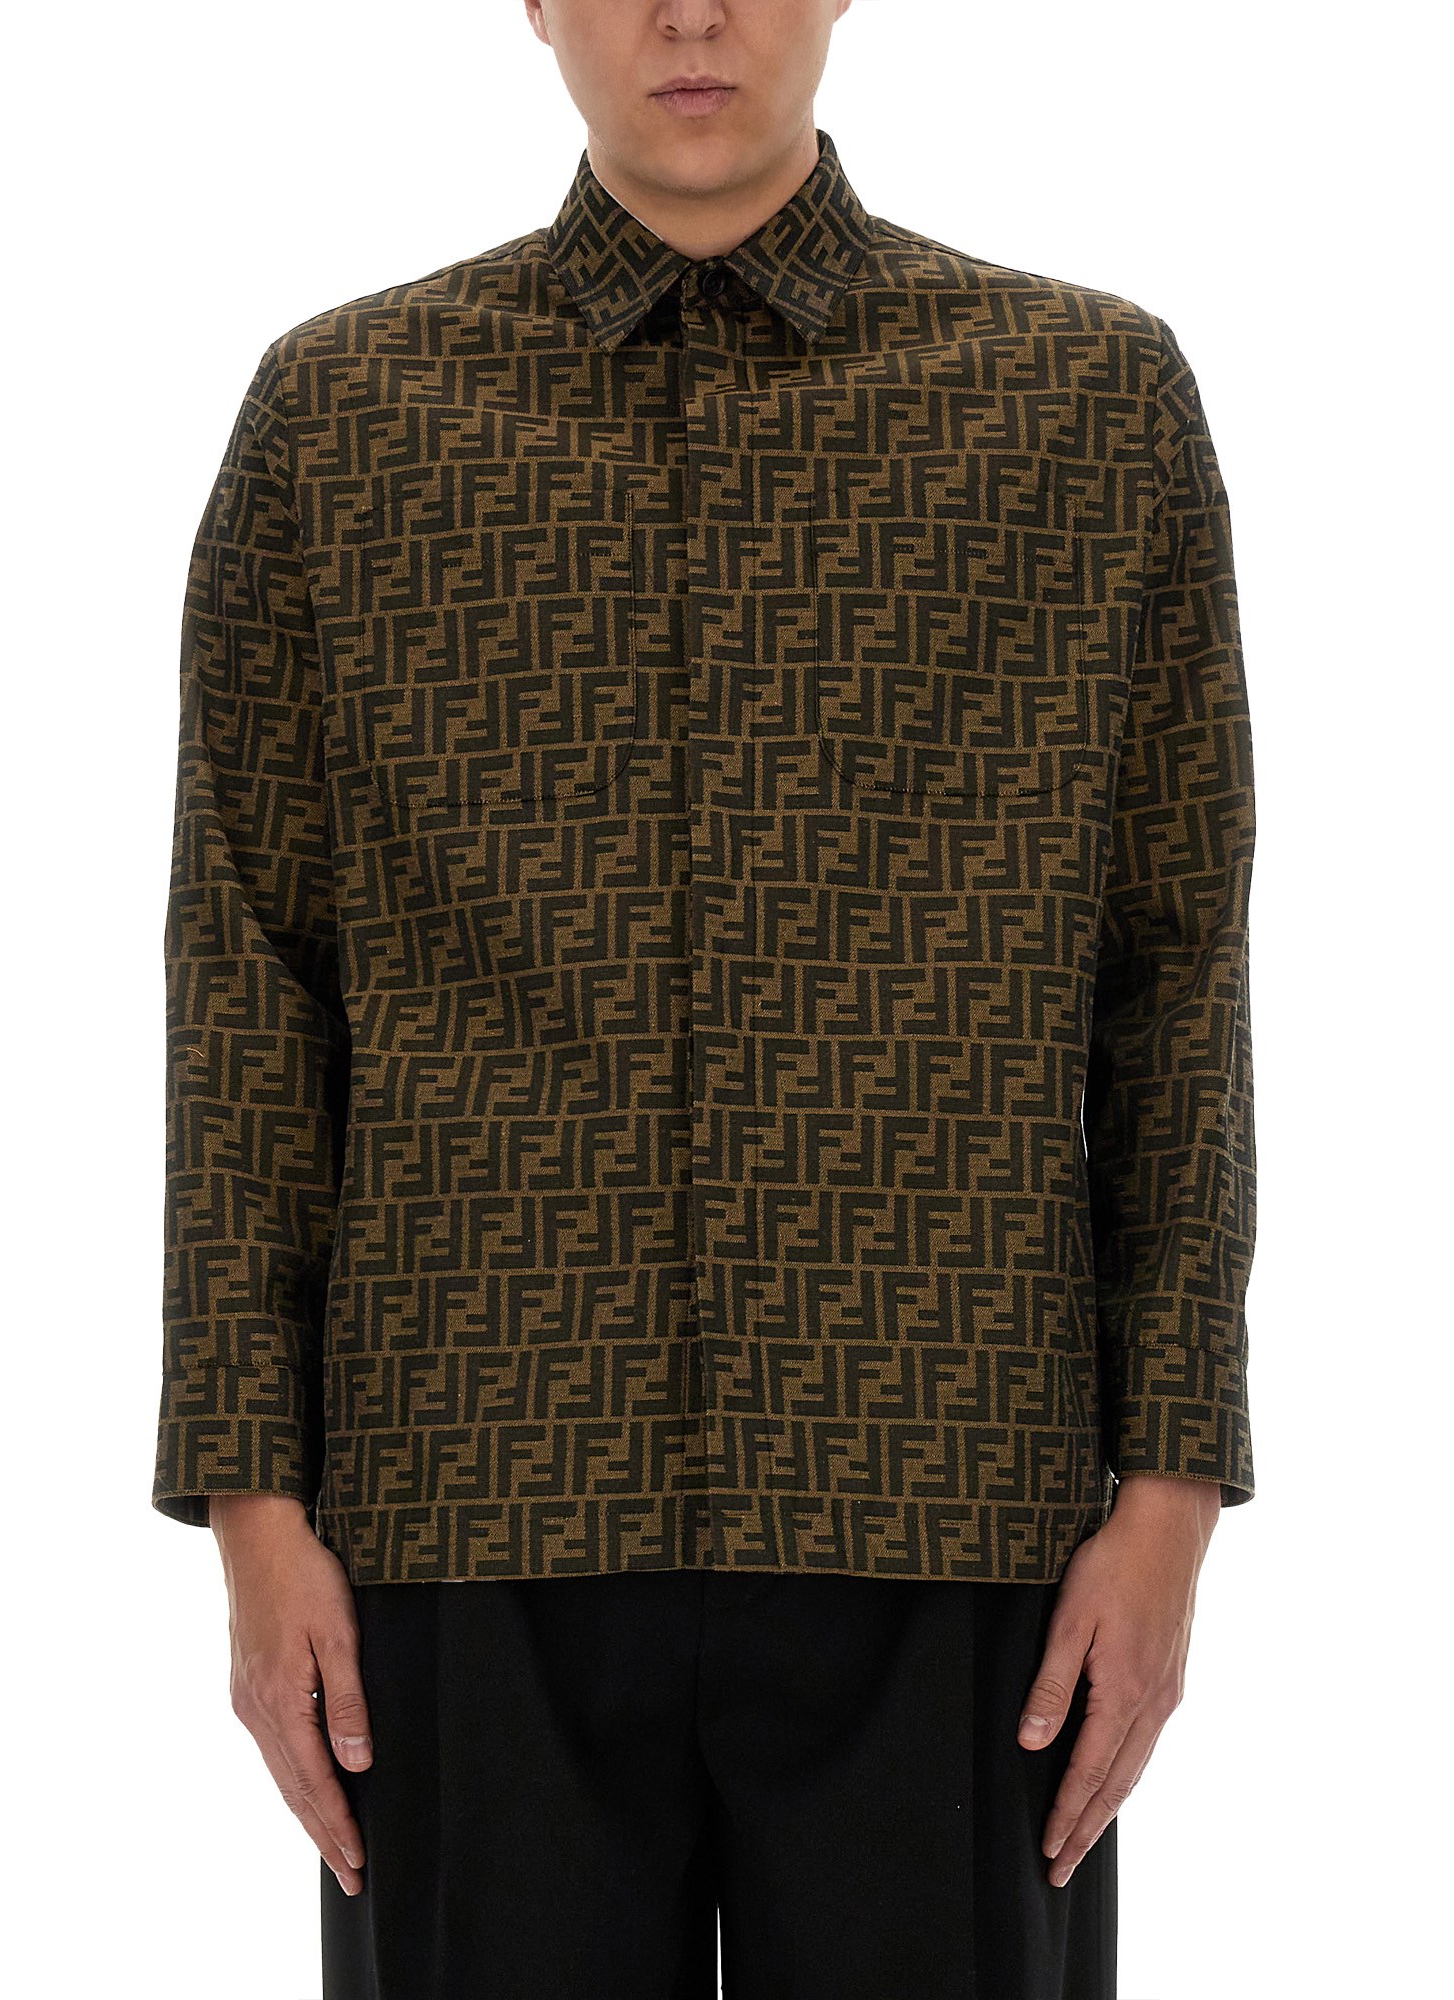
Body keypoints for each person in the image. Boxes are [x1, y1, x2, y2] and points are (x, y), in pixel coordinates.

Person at [151, 3, 1258, 1994]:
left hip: (949, 1495)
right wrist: (250, 1499)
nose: (689, 11)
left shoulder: (1087, 402)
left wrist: (1170, 1493)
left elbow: (1173, 971)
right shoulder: (345, 415)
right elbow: (249, 974)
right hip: (470, 1499)